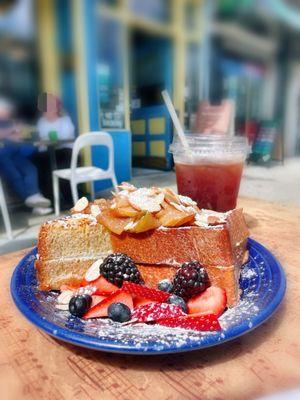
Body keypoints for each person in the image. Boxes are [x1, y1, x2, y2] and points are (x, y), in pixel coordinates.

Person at [0, 98, 52, 215]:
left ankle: (36, 202)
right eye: (5, 111)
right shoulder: (9, 124)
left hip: (14, 152)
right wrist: (12, 131)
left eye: (8, 111)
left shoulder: (10, 121)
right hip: (2, 155)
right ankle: (36, 202)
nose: (7, 113)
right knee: (15, 175)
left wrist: (16, 133)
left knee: (31, 170)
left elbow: (17, 137)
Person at [35, 93, 75, 207]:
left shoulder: (65, 120)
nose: (48, 109)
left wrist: (48, 141)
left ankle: (68, 200)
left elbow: (66, 138)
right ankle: (50, 201)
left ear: (57, 107)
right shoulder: (41, 122)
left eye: (51, 106)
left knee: (58, 168)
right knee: (39, 163)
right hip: (48, 153)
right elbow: (41, 139)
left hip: (64, 151)